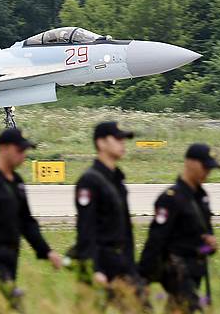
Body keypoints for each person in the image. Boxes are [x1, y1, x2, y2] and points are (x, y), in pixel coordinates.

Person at [0, 128, 63, 311]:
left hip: (10, 257)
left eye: (25, 151)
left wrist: (47, 251)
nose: (23, 156)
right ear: (3, 148)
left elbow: (27, 223)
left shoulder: (17, 183)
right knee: (12, 306)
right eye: (19, 150)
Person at [139, 143, 220, 313]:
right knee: (188, 306)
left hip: (195, 271)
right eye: (205, 167)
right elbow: (156, 239)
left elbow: (203, 238)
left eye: (210, 169)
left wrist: (210, 246)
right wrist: (142, 277)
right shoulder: (171, 198)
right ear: (190, 163)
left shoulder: (202, 198)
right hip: (177, 271)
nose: (207, 172)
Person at [70, 122, 142, 307]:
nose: (122, 143)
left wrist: (132, 269)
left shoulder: (117, 179)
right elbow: (86, 230)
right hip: (101, 262)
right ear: (101, 143)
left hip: (121, 263)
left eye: (123, 139)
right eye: (117, 139)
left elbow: (126, 231)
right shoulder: (90, 181)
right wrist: (94, 269)